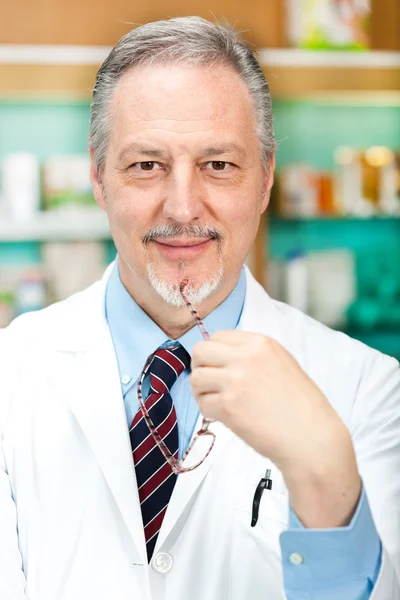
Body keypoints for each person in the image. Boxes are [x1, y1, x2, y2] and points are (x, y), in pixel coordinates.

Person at [0, 17, 399, 600]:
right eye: (146, 165)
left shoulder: (368, 389)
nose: (183, 207)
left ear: (265, 179)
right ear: (97, 176)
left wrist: (323, 468)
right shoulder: (11, 373)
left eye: (218, 164)